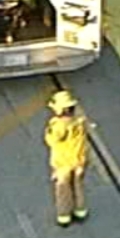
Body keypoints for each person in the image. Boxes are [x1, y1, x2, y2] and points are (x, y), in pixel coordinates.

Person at [43, 90, 89, 227]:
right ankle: (80, 211)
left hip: (64, 164)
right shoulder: (79, 121)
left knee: (63, 190)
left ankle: (64, 217)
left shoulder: (59, 125)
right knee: (78, 187)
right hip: (79, 161)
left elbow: (52, 140)